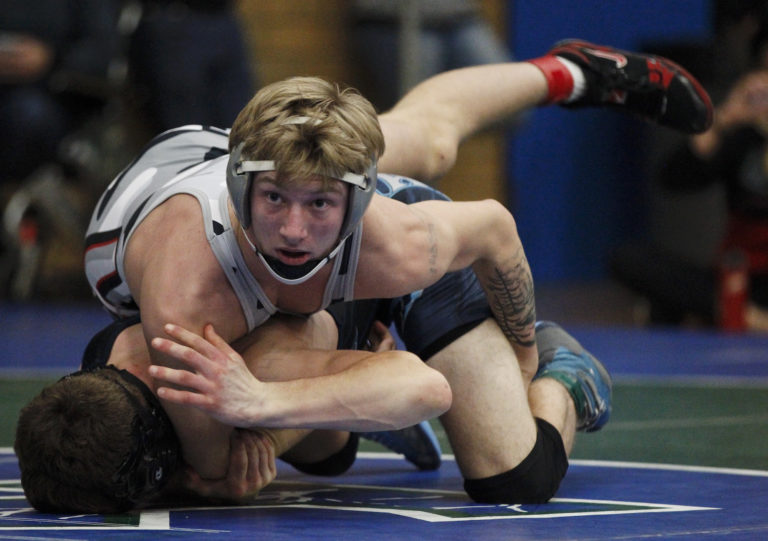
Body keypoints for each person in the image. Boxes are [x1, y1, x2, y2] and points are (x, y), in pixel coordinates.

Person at [21, 39, 712, 510]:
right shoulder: (186, 310)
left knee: (516, 472)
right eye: (278, 206)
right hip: (216, 194)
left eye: (320, 206)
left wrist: (526, 349)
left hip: (285, 206)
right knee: (320, 446)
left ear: (358, 199)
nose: (295, 230)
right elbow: (214, 456)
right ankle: (347, 390)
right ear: (240, 194)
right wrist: (265, 422)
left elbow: (494, 232)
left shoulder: (393, 235)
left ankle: (571, 74)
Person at [16, 310, 452, 512]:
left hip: (374, 276)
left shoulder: (239, 365)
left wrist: (265, 426)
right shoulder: (104, 362)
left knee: (329, 453)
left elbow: (426, 389)